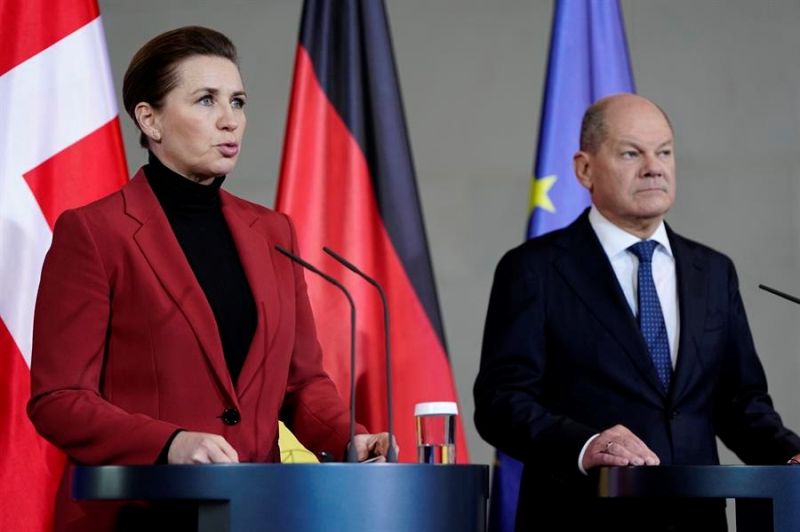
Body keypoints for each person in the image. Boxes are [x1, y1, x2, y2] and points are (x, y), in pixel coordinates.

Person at [28, 26, 394, 531]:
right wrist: (171, 443)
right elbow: (60, 400)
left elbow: (301, 382)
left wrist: (346, 438)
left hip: (257, 513)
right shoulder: (95, 233)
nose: (230, 121)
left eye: (238, 102)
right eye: (206, 100)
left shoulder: (272, 232)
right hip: (139, 515)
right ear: (149, 119)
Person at [474, 93, 800, 532]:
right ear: (584, 169)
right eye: (632, 153)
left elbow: (740, 403)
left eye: (664, 151)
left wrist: (788, 454)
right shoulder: (534, 269)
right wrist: (585, 445)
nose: (654, 166)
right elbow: (501, 402)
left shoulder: (713, 271)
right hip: (580, 517)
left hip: (697, 521)